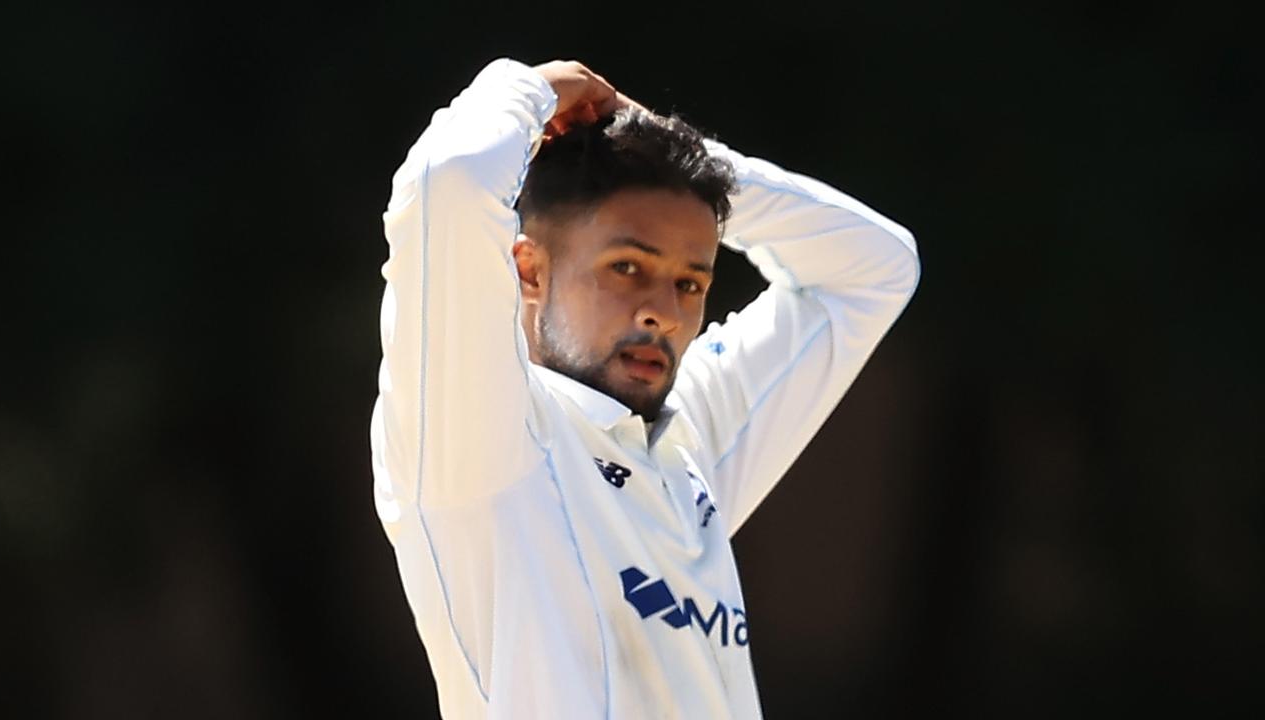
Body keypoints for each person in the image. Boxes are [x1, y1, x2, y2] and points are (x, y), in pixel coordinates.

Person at [370, 57, 920, 719]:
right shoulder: (480, 436)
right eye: (627, 267)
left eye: (690, 281)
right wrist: (530, 92)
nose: (663, 310)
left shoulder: (690, 443)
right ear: (529, 272)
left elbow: (875, 269)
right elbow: (446, 184)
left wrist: (671, 151)